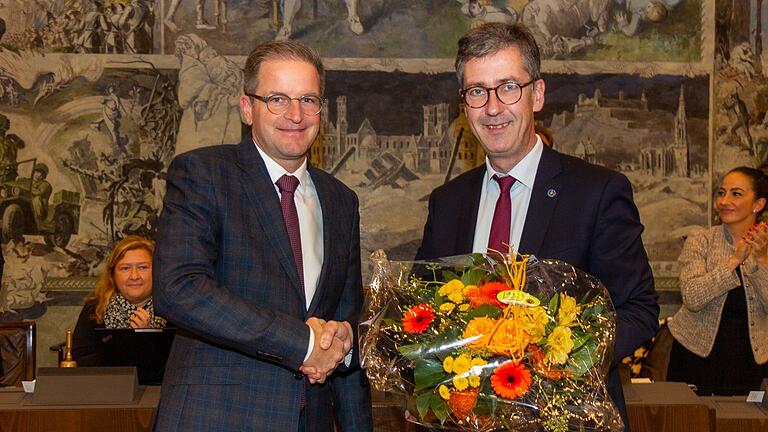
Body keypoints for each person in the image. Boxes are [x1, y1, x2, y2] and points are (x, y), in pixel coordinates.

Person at [415, 22, 659, 429]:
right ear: (465, 104)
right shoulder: (447, 202)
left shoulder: (597, 193)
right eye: (477, 91)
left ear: (538, 94)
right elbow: (423, 311)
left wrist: (559, 359)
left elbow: (639, 309)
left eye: (508, 87)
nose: (492, 108)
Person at [152, 39, 372, 432]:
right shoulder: (203, 174)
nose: (295, 114)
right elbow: (178, 288)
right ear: (246, 107)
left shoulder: (341, 201)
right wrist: (303, 343)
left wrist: (345, 337)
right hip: (217, 417)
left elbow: (347, 320)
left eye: (308, 99)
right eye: (277, 99)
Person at [667, 167, 768, 395]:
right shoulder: (700, 240)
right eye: (721, 193)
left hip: (753, 364)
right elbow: (692, 297)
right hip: (695, 358)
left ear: (758, 204)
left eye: (736, 194)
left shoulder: (766, 246)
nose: (724, 201)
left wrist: (762, 261)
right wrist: (733, 261)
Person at [72, 236, 166, 366]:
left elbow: (179, 365)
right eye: (125, 268)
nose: (134, 276)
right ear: (113, 274)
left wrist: (149, 338)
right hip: (107, 384)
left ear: (157, 271)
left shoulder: (172, 308)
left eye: (143, 267)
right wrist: (127, 344)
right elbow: (79, 359)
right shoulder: (95, 307)